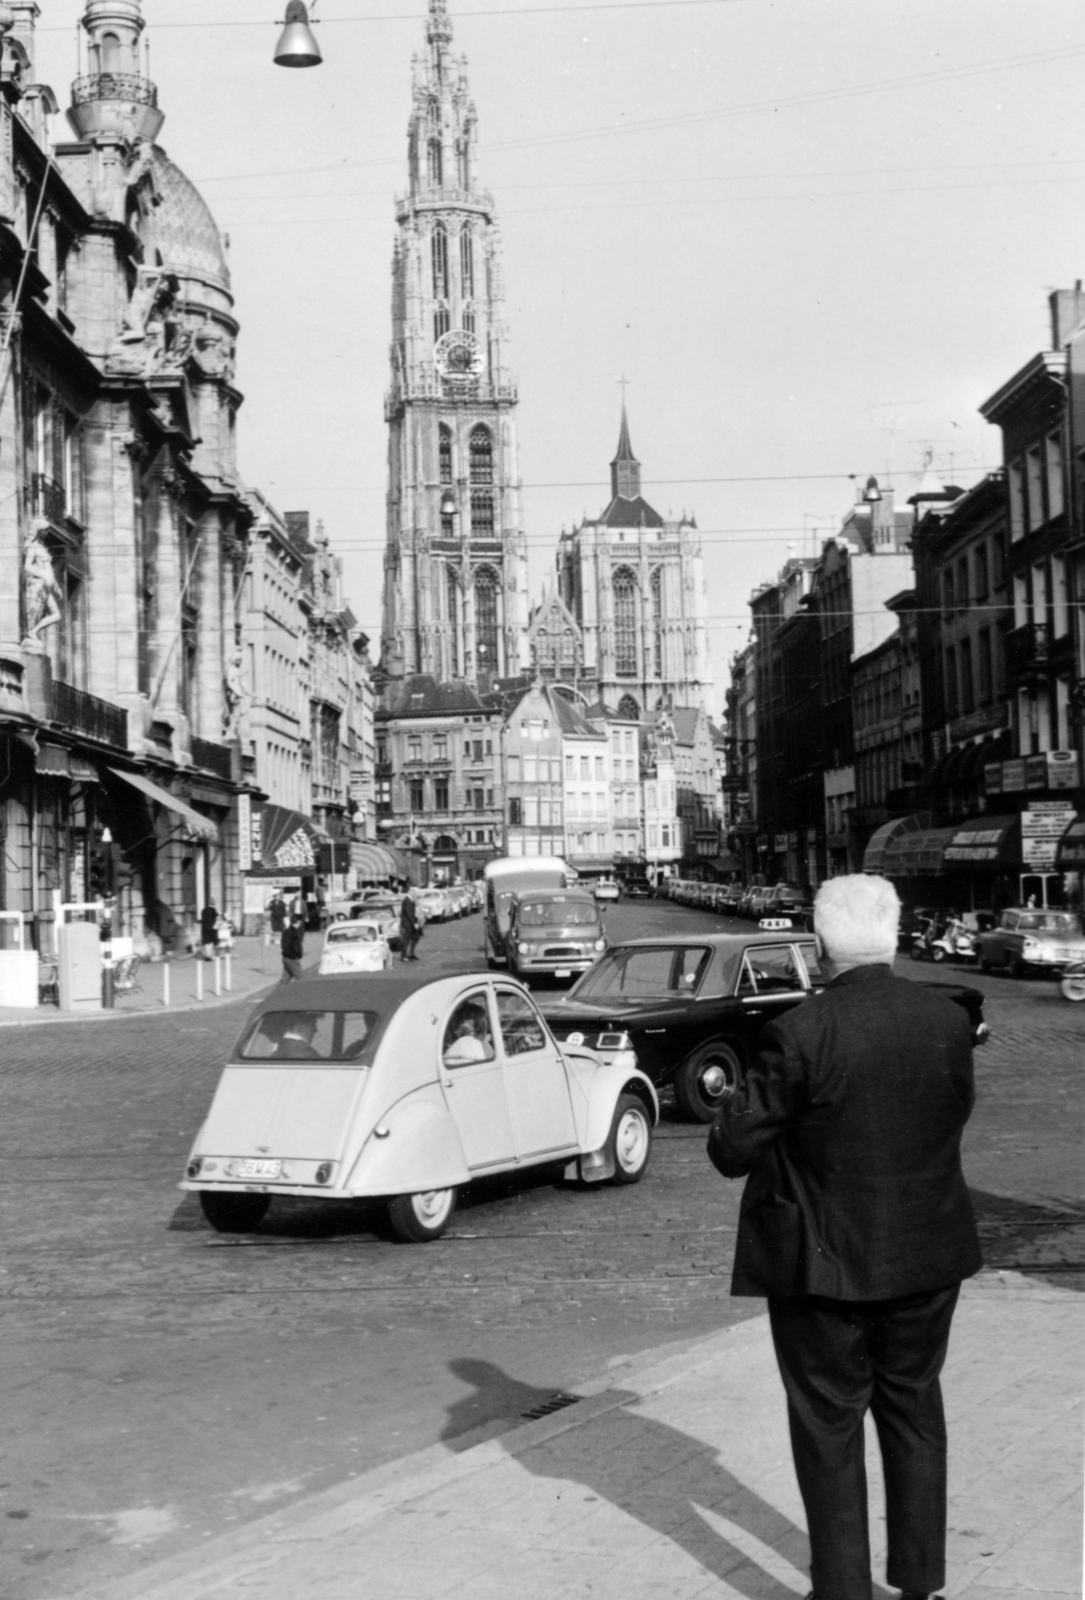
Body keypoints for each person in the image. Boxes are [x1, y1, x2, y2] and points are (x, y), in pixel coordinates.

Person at [707, 873, 981, 1600]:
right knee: (914, 1407)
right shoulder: (945, 1022)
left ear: (819, 945)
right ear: (892, 934)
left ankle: (842, 1589)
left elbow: (732, 1149)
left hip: (820, 1265)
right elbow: (950, 1114)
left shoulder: (798, 1033)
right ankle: (919, 1582)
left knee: (828, 1423)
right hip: (925, 1250)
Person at [280, 914, 306, 982]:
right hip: (292, 958)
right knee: (301, 977)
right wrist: (298, 954)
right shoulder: (293, 933)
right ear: (298, 922)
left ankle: (279, 991)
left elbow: (283, 945)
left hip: (286, 957)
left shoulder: (287, 931)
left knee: (285, 979)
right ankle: (305, 992)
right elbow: (295, 946)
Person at [400, 894, 422, 963]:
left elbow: (413, 912)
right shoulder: (407, 900)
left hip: (411, 923)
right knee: (406, 940)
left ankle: (411, 954)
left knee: (416, 937)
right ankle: (404, 956)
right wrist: (414, 923)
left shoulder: (411, 900)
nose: (415, 894)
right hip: (408, 924)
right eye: (413, 892)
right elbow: (409, 913)